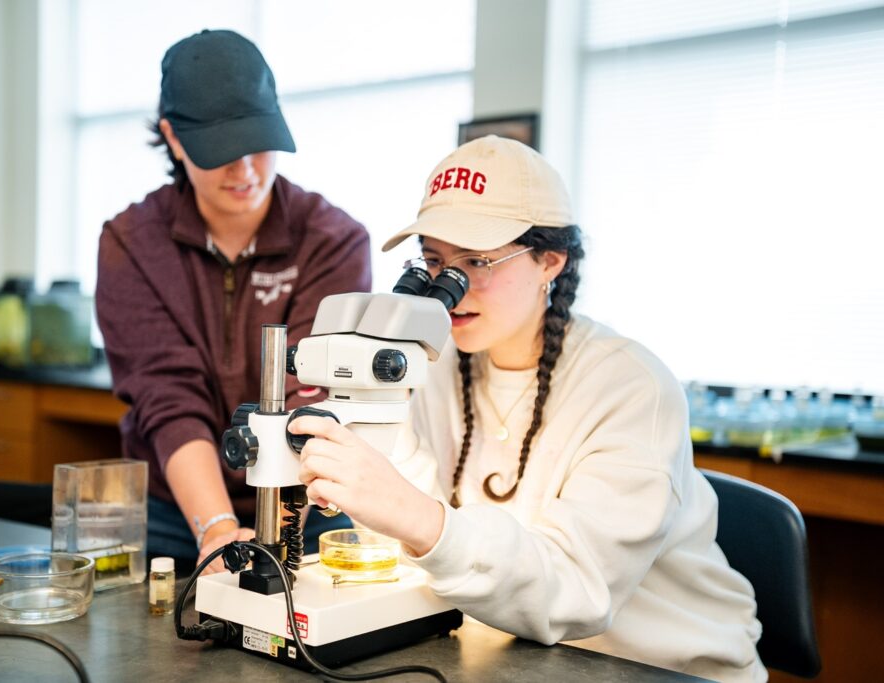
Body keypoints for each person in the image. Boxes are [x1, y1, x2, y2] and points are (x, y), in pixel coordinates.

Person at [289, 136, 766, 681]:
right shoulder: (432, 367)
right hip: (511, 659)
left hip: (658, 669)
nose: (453, 285)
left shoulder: (633, 389)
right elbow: (407, 548)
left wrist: (418, 518)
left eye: (477, 261)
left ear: (550, 261)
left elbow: (576, 591)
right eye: (435, 262)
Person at [96, 29, 371, 571]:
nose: (244, 171)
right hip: (174, 510)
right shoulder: (131, 243)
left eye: (257, 143)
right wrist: (218, 530)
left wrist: (274, 541)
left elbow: (308, 398)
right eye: (221, 152)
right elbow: (168, 399)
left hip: (307, 505)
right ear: (174, 139)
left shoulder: (333, 240)